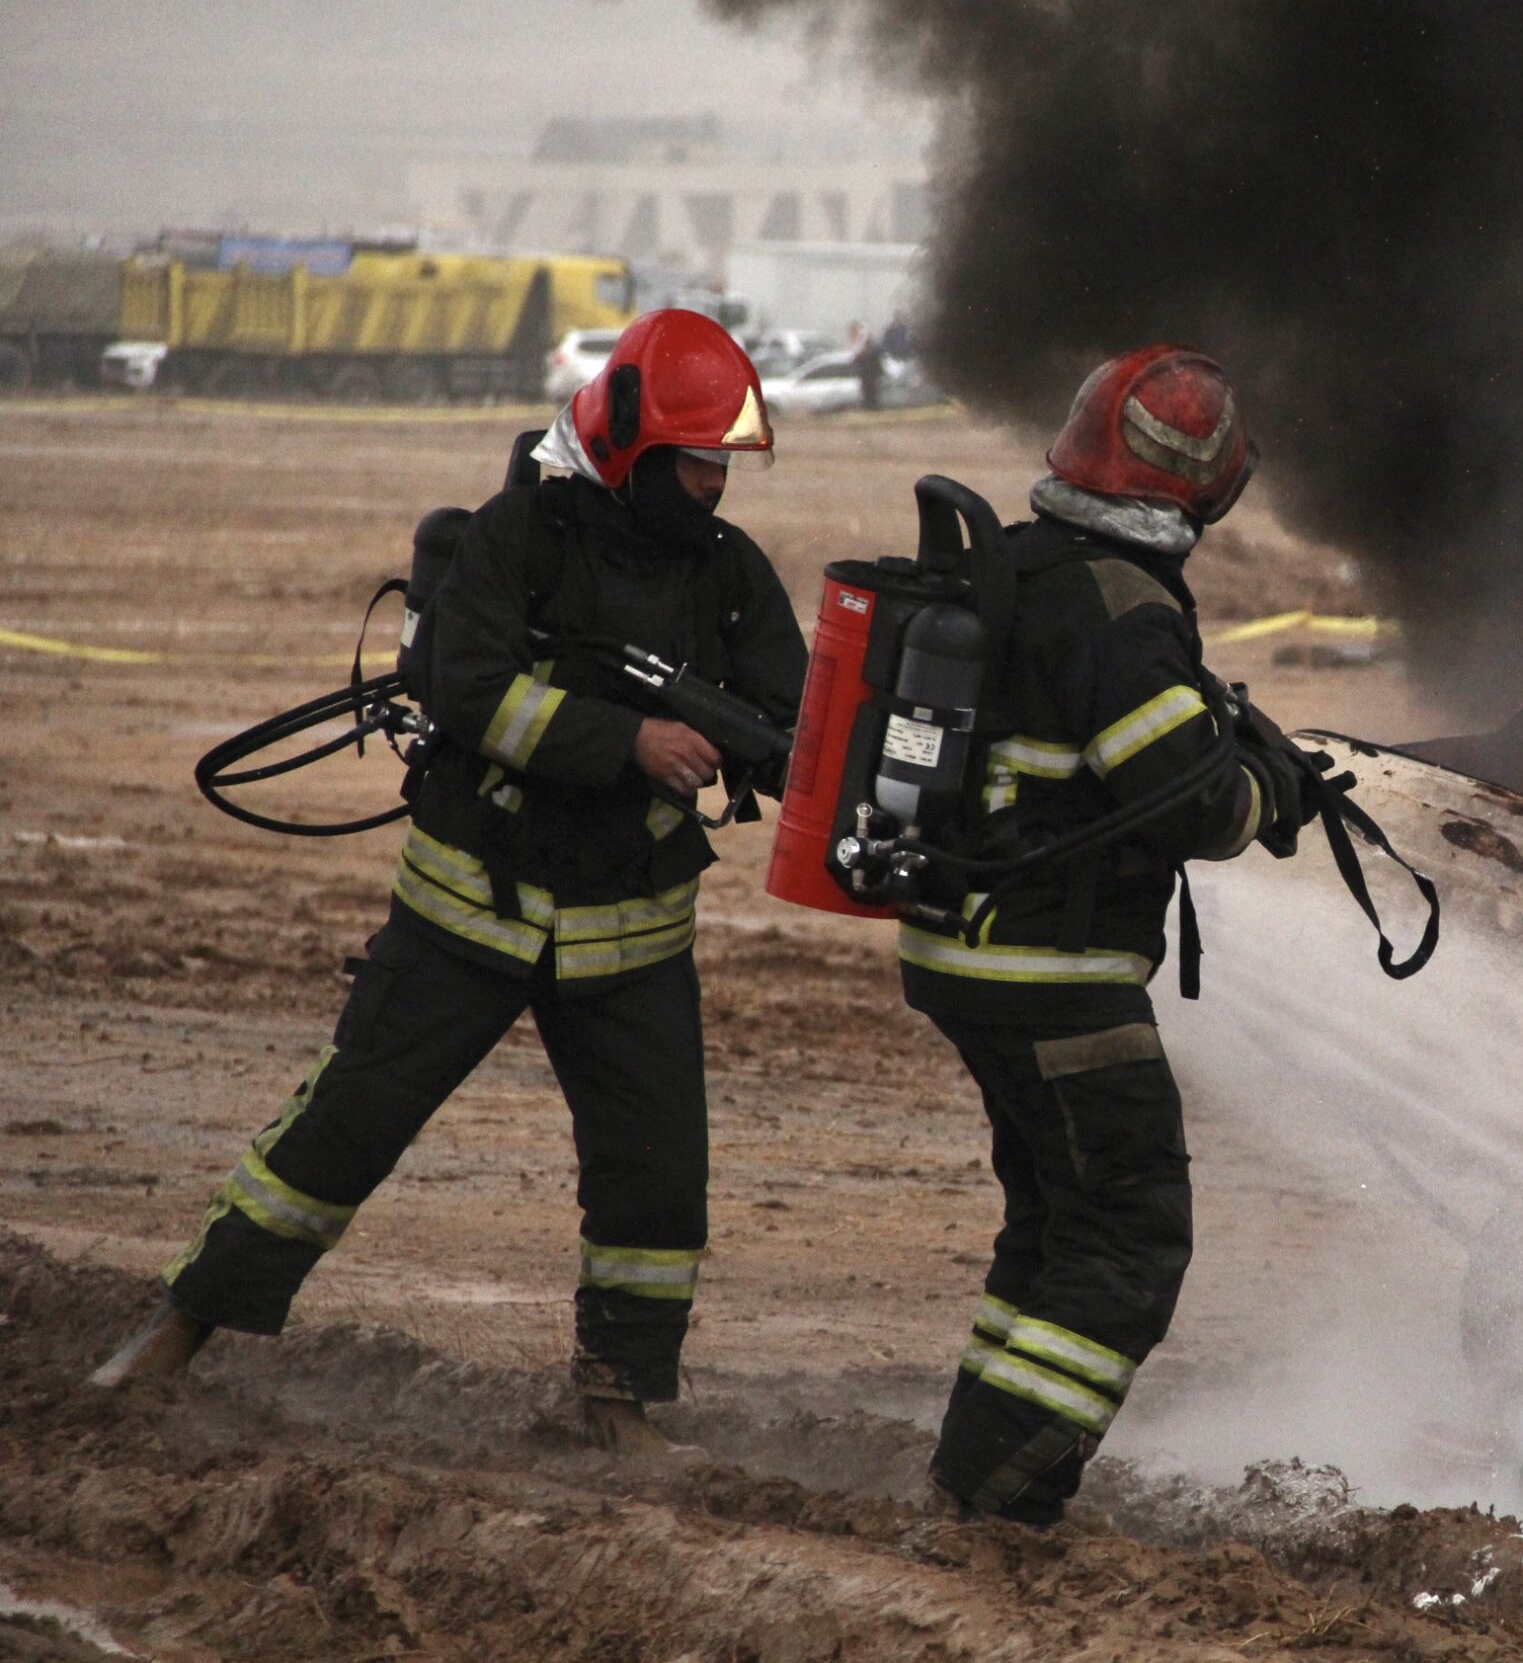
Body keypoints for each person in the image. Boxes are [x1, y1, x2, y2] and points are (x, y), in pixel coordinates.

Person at [90, 310, 810, 1458]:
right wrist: (627, 740)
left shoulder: (729, 575)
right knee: (346, 1128)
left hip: (630, 930)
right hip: (470, 905)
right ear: (630, 448)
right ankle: (179, 1330)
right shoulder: (517, 537)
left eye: (725, 464)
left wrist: (778, 752)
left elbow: (787, 715)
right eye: (695, 462)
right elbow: (472, 692)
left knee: (656, 1179)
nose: (714, 485)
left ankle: (618, 1403)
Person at [903, 345, 1317, 1525]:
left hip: (966, 947)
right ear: (1207, 486)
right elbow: (1188, 804)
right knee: (1129, 1241)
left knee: (1053, 1227)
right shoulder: (1121, 609)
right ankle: (989, 1503)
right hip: (1056, 972)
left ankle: (974, 1474)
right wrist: (1269, 791)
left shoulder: (1026, 563)